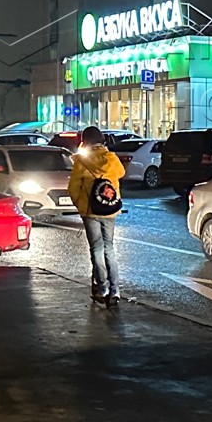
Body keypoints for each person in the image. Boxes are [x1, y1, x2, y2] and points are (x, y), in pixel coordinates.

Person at [67, 126, 126, 305]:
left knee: (97, 248)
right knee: (109, 247)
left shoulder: (82, 161)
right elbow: (121, 174)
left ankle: (102, 288)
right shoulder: (112, 159)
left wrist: (81, 205)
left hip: (90, 211)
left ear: (85, 141)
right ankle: (115, 290)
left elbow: (73, 188)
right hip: (109, 209)